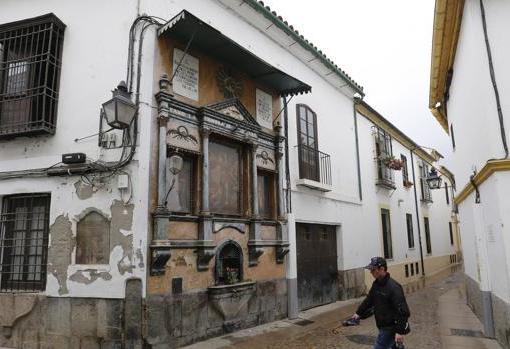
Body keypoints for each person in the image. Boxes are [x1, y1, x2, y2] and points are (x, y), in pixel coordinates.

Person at [348, 257, 410, 349]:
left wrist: (399, 332)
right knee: (394, 346)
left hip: (391, 327)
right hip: (382, 325)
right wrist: (358, 313)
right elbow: (369, 300)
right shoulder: (377, 284)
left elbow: (403, 311)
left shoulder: (394, 288)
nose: (371, 272)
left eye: (373, 270)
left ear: (382, 269)